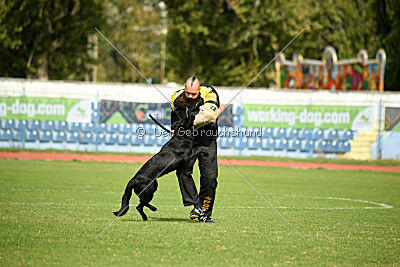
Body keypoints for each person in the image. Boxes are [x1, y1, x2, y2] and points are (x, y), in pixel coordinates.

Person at [170, 76, 221, 223]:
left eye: (194, 94)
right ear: (184, 89)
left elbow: (210, 114)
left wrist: (190, 124)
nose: (191, 96)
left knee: (210, 179)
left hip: (207, 140)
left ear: (199, 90)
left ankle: (205, 213)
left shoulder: (209, 92)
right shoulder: (176, 97)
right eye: (188, 93)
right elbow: (176, 119)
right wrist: (176, 130)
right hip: (188, 141)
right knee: (182, 171)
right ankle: (196, 205)